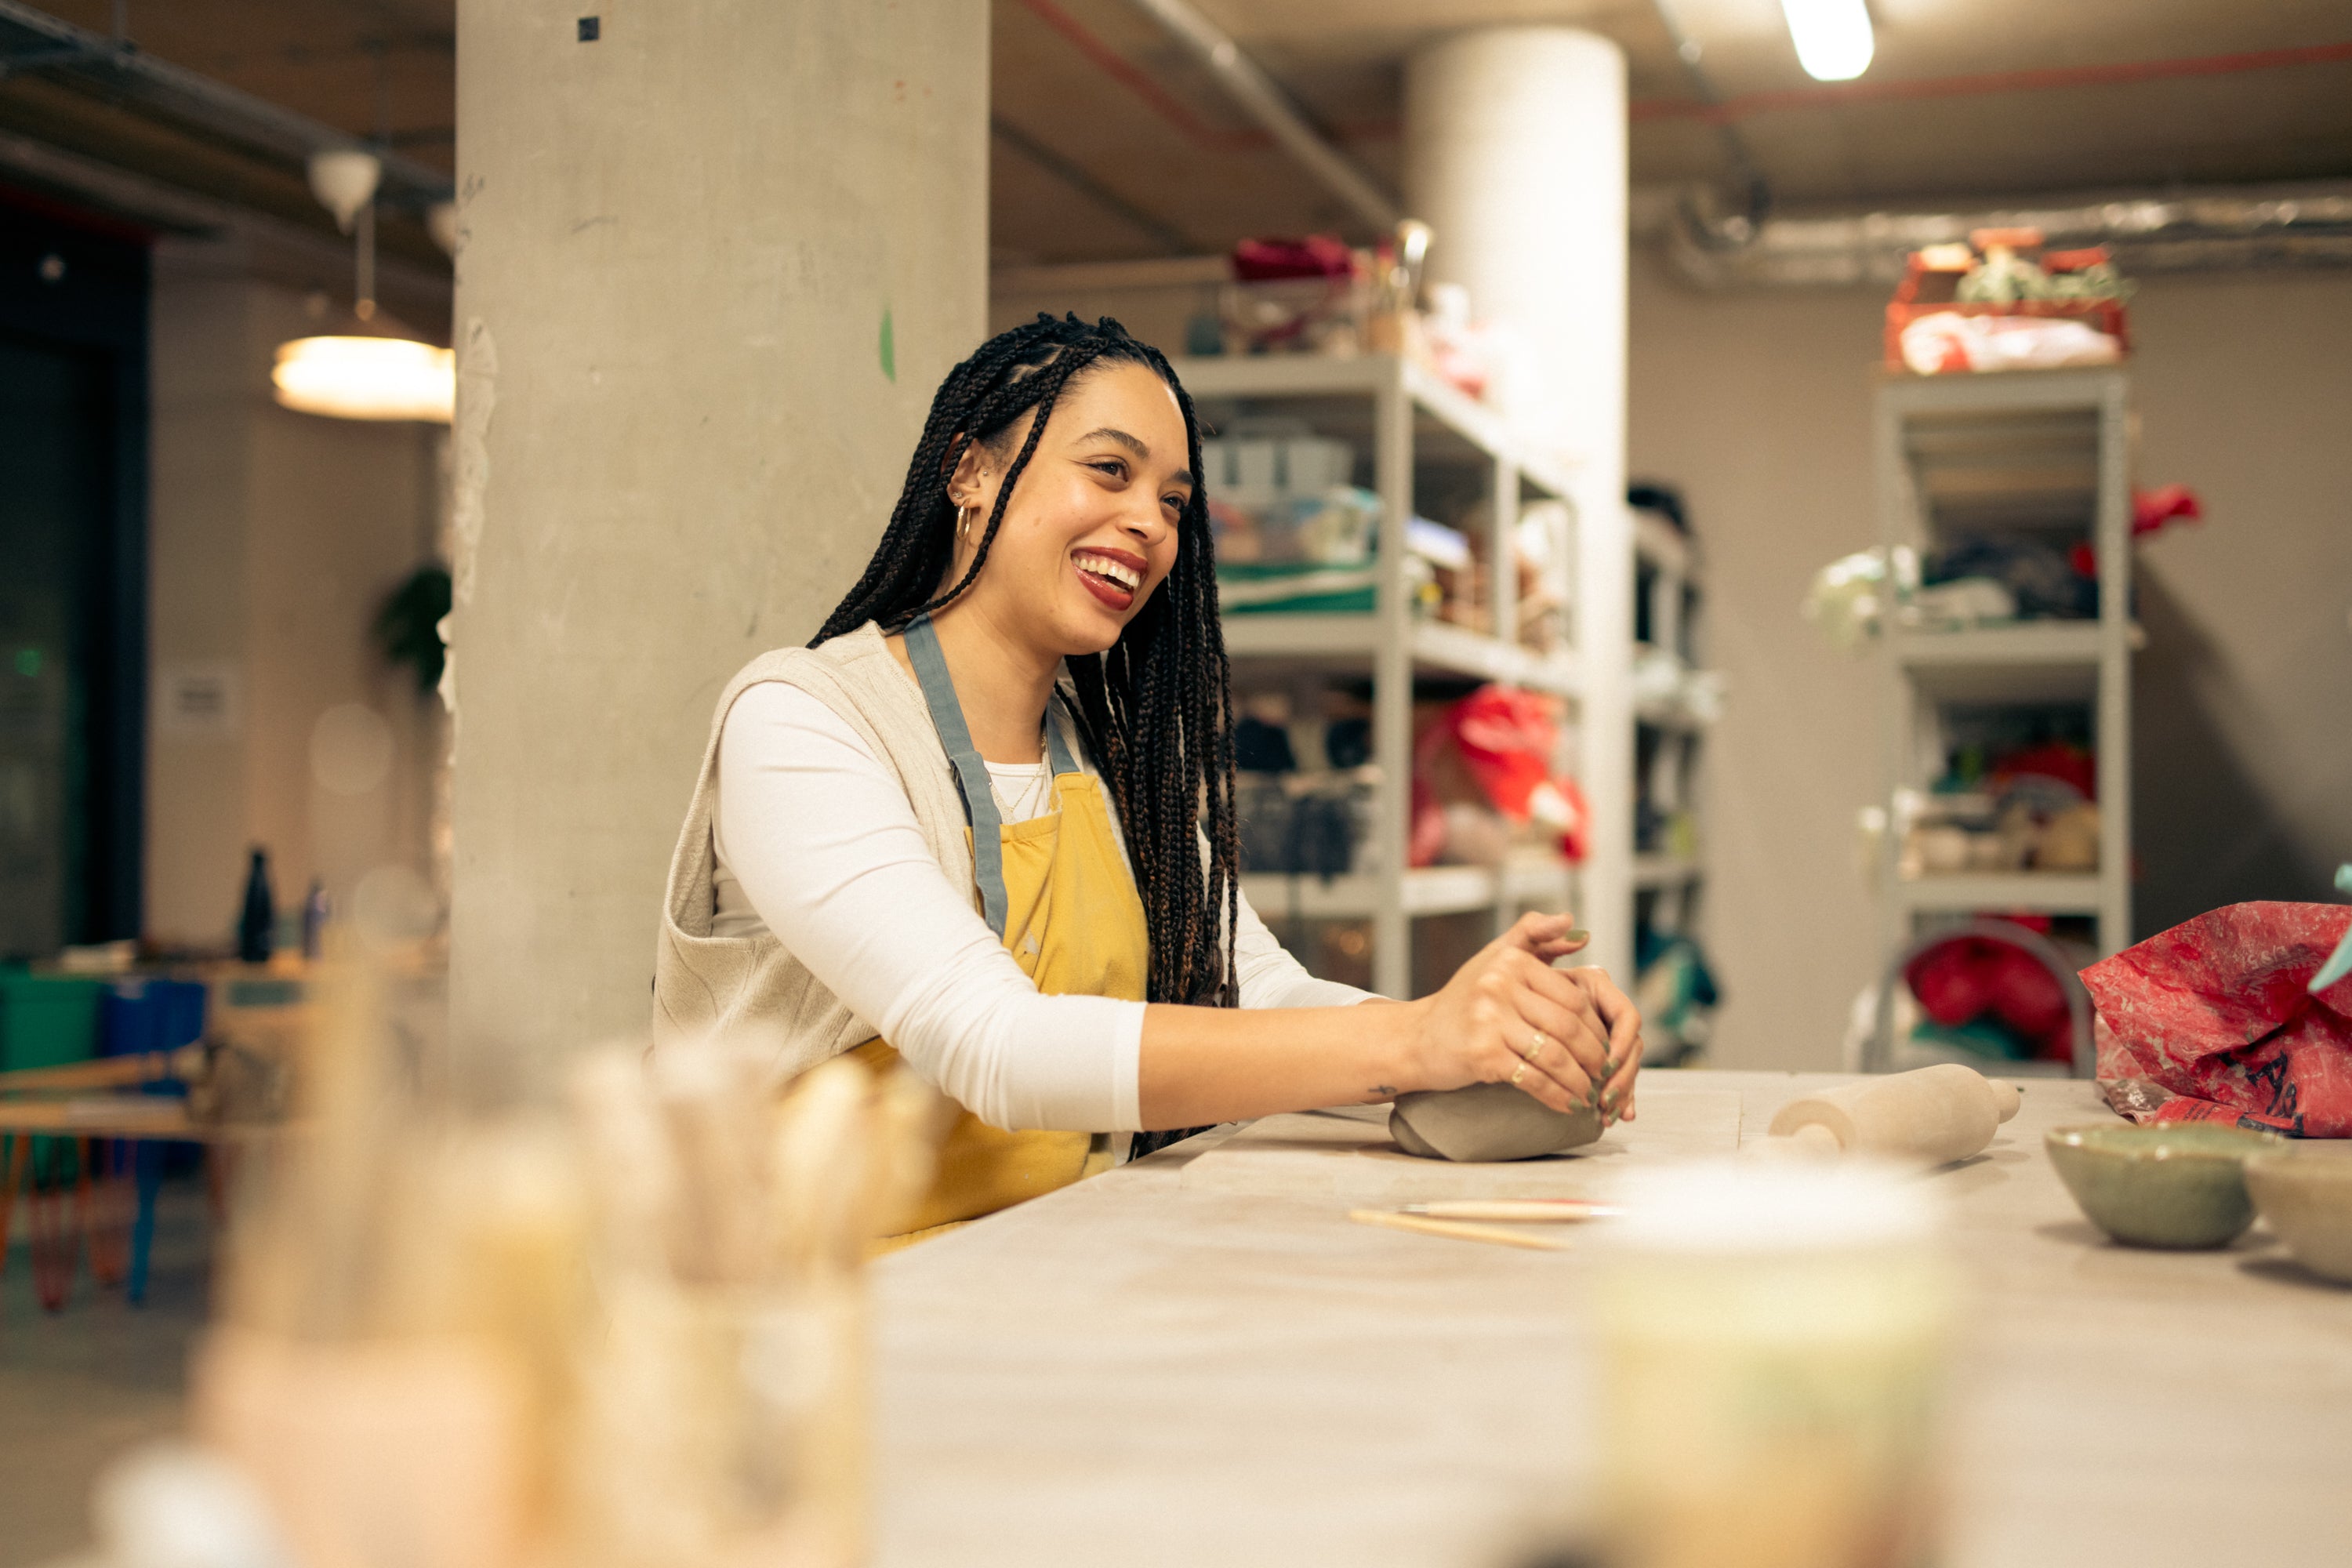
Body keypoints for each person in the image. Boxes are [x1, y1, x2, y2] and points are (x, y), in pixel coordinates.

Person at [654, 313, 1640, 1243]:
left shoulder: (1112, 765)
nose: (1148, 524)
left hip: (1033, 1280)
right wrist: (1417, 1040)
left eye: (1171, 500)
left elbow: (1254, 996)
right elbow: (994, 1045)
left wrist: (1503, 1033)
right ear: (970, 473)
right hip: (805, 1331)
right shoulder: (804, 721)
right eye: (1109, 470)